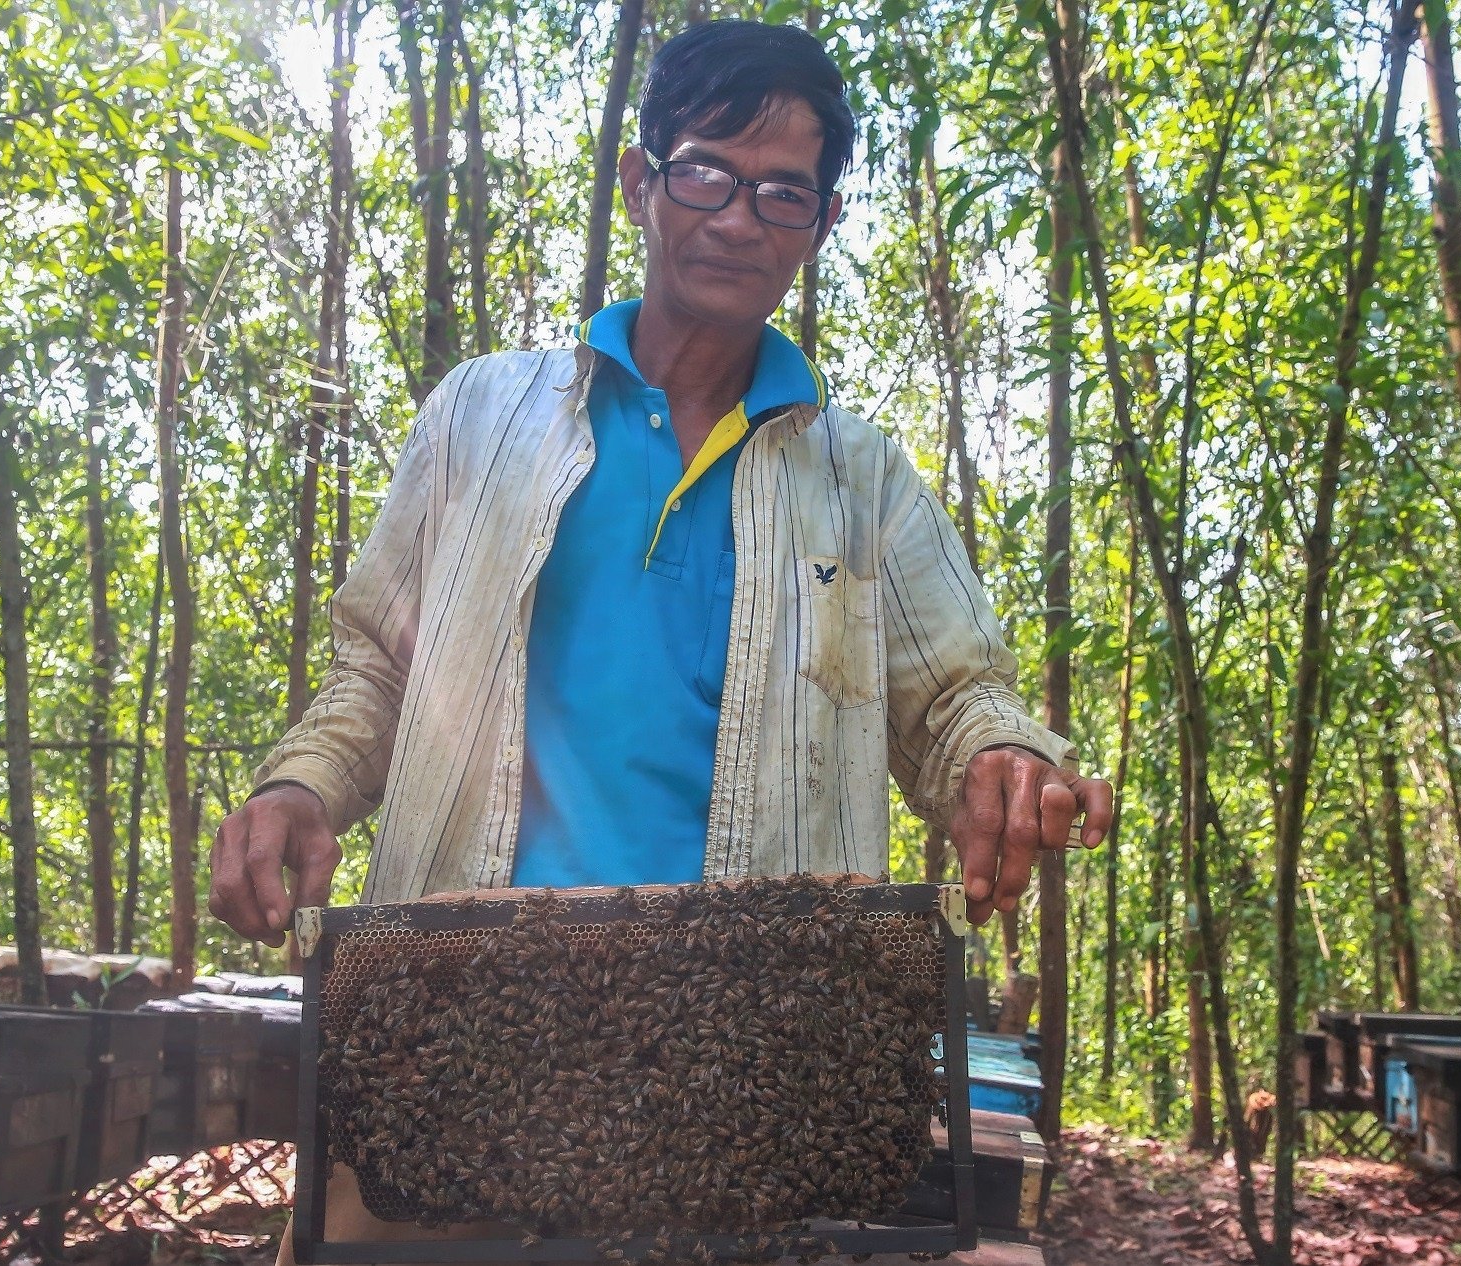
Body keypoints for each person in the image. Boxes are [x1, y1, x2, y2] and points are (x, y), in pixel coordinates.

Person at [209, 19, 1114, 1259]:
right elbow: (376, 666)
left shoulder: (862, 478)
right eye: (707, 172)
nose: (740, 217)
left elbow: (958, 699)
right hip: (451, 1042)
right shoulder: (482, 415)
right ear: (641, 182)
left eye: (783, 191)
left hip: (745, 1074)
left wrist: (1004, 764)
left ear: (822, 223)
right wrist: (301, 786)